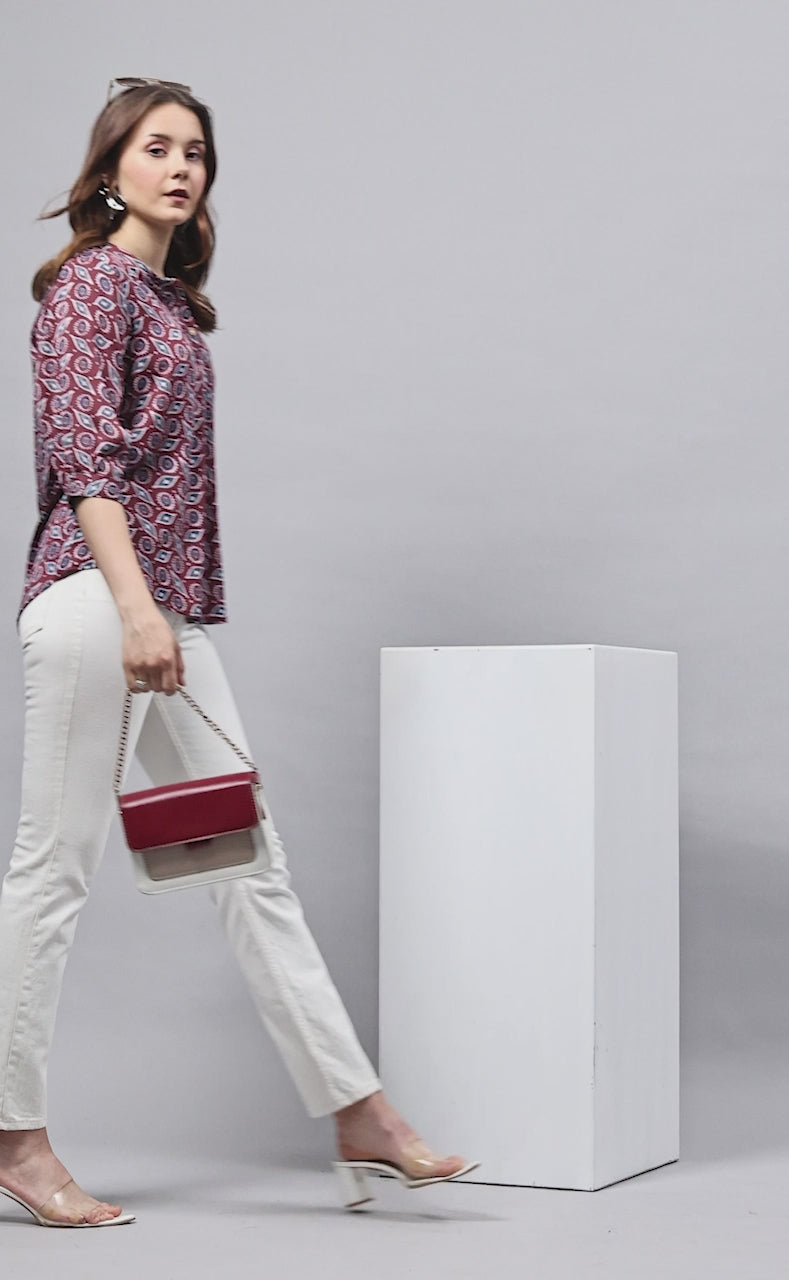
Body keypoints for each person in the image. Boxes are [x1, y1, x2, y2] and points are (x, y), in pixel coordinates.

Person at [0, 76, 477, 1228]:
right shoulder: (90, 284)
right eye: (157, 147)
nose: (181, 167)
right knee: (54, 870)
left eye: (196, 152)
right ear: (110, 171)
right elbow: (86, 461)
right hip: (99, 603)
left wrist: (161, 615)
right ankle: (14, 1135)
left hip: (160, 617)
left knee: (245, 859)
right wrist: (134, 609)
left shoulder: (166, 302)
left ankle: (358, 1108)